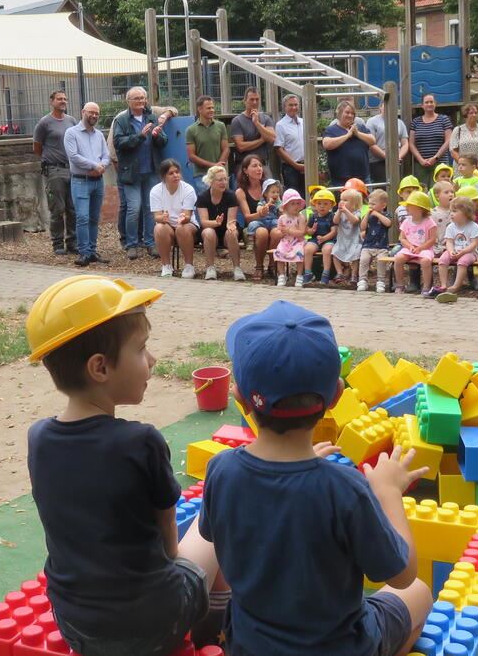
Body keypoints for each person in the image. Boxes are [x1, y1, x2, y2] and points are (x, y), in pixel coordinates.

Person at [201, 300, 432, 656]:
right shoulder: (345, 488)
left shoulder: (222, 470)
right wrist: (388, 492)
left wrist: (297, 473)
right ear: (336, 395)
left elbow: (234, 529)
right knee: (419, 592)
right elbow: (401, 575)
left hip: (250, 644)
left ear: (240, 399)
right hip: (341, 647)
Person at [24, 275, 225, 656]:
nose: (152, 360)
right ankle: (214, 628)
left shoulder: (38, 438)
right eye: (142, 348)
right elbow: (169, 545)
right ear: (100, 367)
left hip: (76, 626)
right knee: (212, 525)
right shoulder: (141, 441)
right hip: (154, 625)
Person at [112, 87, 171, 260]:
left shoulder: (151, 117)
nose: (140, 101)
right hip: (131, 173)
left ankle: (150, 243)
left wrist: (157, 135)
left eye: (143, 98)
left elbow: (164, 141)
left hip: (151, 170)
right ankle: (132, 244)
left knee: (150, 209)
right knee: (133, 208)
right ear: (128, 101)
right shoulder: (122, 120)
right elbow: (118, 142)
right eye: (136, 98)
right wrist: (140, 136)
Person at [63, 102, 111, 267]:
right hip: (80, 180)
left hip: (98, 181)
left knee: (94, 218)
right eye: (91, 112)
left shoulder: (99, 135)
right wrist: (94, 166)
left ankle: (92, 251)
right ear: (83, 112)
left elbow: (106, 155)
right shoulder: (71, 133)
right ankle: (84, 252)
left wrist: (102, 166)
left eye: (97, 113)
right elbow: (73, 156)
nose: (94, 116)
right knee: (82, 217)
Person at [33, 91, 79, 256]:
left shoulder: (71, 121)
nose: (63, 101)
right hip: (54, 170)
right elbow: (37, 147)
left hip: (71, 169)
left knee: (73, 208)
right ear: (51, 101)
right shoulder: (44, 123)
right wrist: (50, 160)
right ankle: (57, 243)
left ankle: (72, 242)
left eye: (65, 99)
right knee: (57, 208)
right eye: (59, 99)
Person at [150, 159, 200, 279]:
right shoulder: (156, 191)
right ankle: (166, 266)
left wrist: (183, 218)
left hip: (187, 225)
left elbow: (187, 216)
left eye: (177, 172)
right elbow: (157, 217)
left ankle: (189, 266)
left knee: (182, 228)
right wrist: (163, 218)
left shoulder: (188, 189)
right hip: (168, 226)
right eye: (171, 173)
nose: (175, 175)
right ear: (164, 176)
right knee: (159, 228)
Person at [195, 165, 245, 282]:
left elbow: (231, 220)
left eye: (225, 179)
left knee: (231, 232)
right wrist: (216, 223)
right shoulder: (202, 197)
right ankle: (210, 268)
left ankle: (237, 268)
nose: (223, 183)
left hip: (226, 229)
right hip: (211, 229)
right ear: (211, 181)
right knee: (208, 232)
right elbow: (204, 222)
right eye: (220, 180)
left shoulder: (231, 196)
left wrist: (230, 225)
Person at [430, 197, 478, 303]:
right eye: (451, 211)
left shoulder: (474, 226)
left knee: (462, 261)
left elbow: (474, 244)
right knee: (443, 259)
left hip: (470, 252)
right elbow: (449, 242)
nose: (451, 214)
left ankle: (456, 286)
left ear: (466, 212)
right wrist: (451, 251)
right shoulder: (451, 227)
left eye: (455, 211)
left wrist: (462, 252)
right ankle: (443, 285)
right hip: (454, 251)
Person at [392, 190, 438, 296]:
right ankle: (400, 285)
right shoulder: (406, 221)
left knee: (425, 261)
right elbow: (402, 238)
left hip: (425, 249)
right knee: (398, 259)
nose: (406, 207)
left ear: (420, 208)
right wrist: (410, 246)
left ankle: (426, 287)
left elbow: (432, 239)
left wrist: (421, 248)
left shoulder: (429, 222)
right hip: (409, 249)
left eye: (410, 205)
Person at [322, 100, 376, 187]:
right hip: (341, 180)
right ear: (339, 113)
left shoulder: (360, 127)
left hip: (363, 178)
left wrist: (357, 133)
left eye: (352, 113)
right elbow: (327, 144)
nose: (350, 115)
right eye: (347, 112)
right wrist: (347, 135)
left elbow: (372, 140)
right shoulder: (331, 130)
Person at [185, 95, 230, 195]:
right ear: (200, 109)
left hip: (220, 174)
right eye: (208, 108)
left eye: (213, 107)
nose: (212, 110)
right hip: (201, 175)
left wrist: (219, 165)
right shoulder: (191, 130)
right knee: (206, 200)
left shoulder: (221, 126)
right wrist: (213, 165)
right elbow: (191, 156)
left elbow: (226, 149)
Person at [236, 157, 272, 276]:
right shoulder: (241, 191)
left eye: (260, 166)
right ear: (245, 170)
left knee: (277, 232)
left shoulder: (269, 186)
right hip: (252, 227)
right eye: (254, 166)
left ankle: (273, 266)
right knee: (262, 232)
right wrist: (260, 214)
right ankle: (259, 266)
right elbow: (247, 217)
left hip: (271, 221)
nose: (259, 169)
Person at [230, 87, 276, 179]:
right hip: (243, 165)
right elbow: (241, 146)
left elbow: (272, 138)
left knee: (269, 186)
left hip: (262, 165)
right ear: (245, 101)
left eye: (257, 99)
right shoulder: (237, 121)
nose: (255, 102)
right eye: (251, 99)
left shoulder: (266, 118)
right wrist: (262, 139)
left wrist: (257, 123)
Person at [410, 93, 453, 186]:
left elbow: (448, 140)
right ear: (422, 105)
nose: (429, 104)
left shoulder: (444, 119)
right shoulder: (415, 122)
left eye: (431, 102)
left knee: (441, 189)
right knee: (422, 189)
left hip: (440, 163)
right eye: (426, 102)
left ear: (435, 104)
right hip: (421, 165)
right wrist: (421, 160)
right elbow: (411, 144)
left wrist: (436, 157)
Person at [366, 102, 409, 186]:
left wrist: (398, 157)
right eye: (385, 106)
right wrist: (388, 157)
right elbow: (371, 144)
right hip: (377, 162)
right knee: (382, 189)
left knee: (396, 186)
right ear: (380, 108)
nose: (388, 108)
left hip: (396, 162)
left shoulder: (400, 123)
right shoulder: (372, 122)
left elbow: (405, 143)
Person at [358, 189, 393, 292]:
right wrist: (367, 215)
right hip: (368, 245)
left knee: (381, 262)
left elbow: (388, 223)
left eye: (373, 204)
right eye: (369, 204)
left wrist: (377, 214)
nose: (370, 206)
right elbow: (362, 227)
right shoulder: (368, 216)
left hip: (382, 246)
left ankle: (381, 281)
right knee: (363, 260)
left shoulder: (386, 215)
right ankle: (362, 280)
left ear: (383, 205)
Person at [303, 188, 338, 287]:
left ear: (331, 205)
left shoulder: (332, 216)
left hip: (328, 240)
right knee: (307, 249)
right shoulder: (313, 216)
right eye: (319, 203)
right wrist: (311, 231)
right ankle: (308, 273)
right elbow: (307, 230)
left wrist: (324, 238)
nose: (322, 206)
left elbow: (334, 231)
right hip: (315, 239)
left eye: (325, 204)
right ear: (314, 204)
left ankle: (325, 273)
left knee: (327, 250)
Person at [274, 189, 307, 287]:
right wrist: (280, 233)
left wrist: (289, 231)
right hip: (285, 241)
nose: (296, 206)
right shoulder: (282, 218)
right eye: (293, 204)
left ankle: (299, 275)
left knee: (299, 252)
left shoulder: (300, 217)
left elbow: (302, 232)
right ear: (286, 206)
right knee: (279, 251)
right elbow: (278, 231)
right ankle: (281, 275)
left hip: (298, 241)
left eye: (298, 203)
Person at [331, 188, 364, 285]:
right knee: (335, 253)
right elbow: (335, 221)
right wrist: (339, 211)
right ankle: (340, 273)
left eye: (345, 200)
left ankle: (354, 275)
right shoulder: (340, 212)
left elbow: (354, 221)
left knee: (356, 256)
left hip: (354, 240)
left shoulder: (357, 212)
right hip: (342, 240)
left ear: (354, 204)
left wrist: (345, 211)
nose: (342, 202)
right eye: (341, 199)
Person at [274, 94, 305, 193]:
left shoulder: (304, 122)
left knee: (308, 194)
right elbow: (279, 149)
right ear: (284, 107)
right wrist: (295, 165)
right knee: (293, 195)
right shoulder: (281, 125)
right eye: (290, 105)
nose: (294, 107)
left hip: (305, 166)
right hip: (290, 168)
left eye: (296, 105)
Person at [450, 103, 478, 171]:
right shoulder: (458, 130)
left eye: (476, 113)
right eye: (471, 113)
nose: (474, 115)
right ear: (466, 115)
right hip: (463, 169)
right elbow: (453, 150)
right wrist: (464, 163)